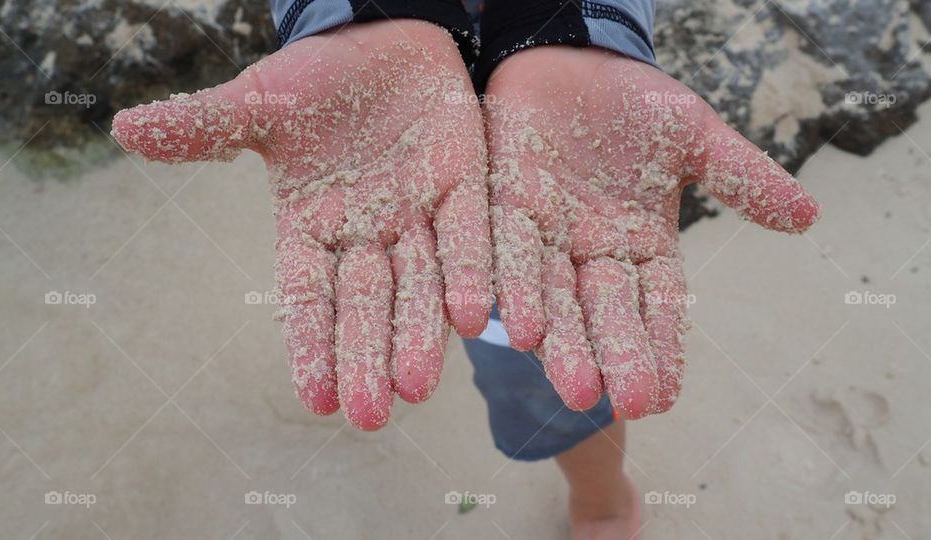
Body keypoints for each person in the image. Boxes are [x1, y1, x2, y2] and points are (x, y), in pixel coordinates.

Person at [112, 1, 819, 537]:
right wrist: (359, 15)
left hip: (562, 137)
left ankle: (602, 504)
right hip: (375, 119)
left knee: (550, 354)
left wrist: (576, 27)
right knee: (374, 288)